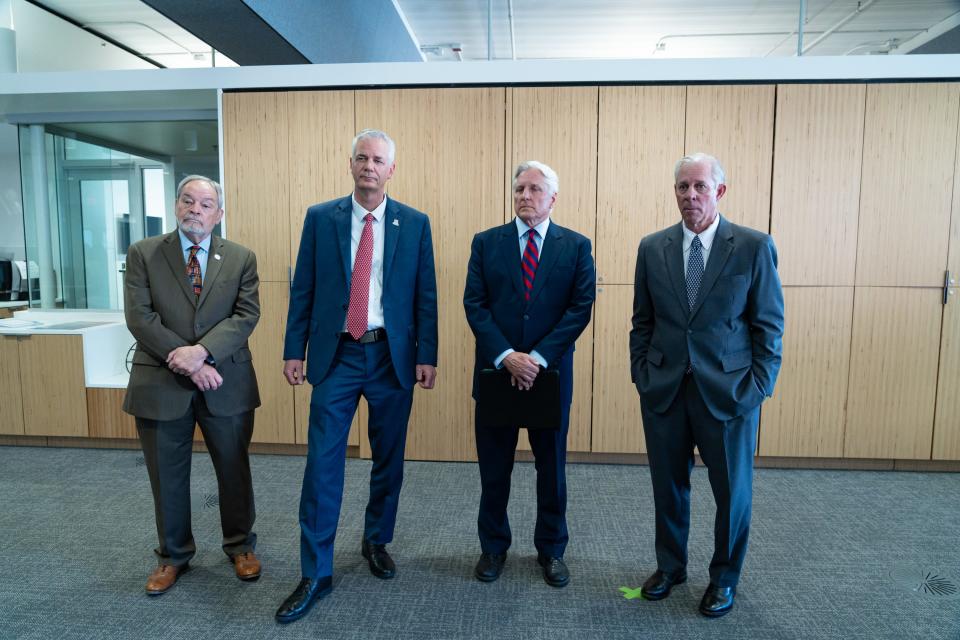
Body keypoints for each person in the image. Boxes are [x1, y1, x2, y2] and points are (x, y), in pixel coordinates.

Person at [276, 129, 438, 624]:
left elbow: (424, 294)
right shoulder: (321, 218)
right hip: (337, 356)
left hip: (391, 357)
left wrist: (426, 354)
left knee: (388, 459)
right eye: (362, 158)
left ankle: (376, 540)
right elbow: (302, 287)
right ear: (350, 165)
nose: (370, 166)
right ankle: (315, 572)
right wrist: (292, 349)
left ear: (392, 169)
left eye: (379, 160)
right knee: (322, 464)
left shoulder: (413, 223)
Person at [630, 153, 784, 617]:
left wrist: (758, 387)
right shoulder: (652, 247)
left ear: (719, 191)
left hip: (731, 394)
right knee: (668, 487)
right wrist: (643, 373)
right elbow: (642, 321)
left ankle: (724, 579)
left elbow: (769, 327)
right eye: (682, 187)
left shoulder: (754, 247)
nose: (690, 195)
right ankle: (670, 567)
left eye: (699, 186)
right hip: (666, 390)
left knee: (732, 493)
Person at [123, 175, 262, 595]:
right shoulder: (145, 253)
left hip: (225, 380)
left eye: (205, 204)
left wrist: (202, 353)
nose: (195, 210)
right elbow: (139, 317)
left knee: (234, 470)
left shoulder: (240, 258)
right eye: (188, 201)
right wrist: (188, 361)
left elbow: (245, 315)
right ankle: (172, 555)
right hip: (161, 382)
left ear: (219, 214)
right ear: (176, 206)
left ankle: (240, 546)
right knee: (166, 475)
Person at [463, 160, 596, 588]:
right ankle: (493, 547)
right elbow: (475, 304)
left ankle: (552, 549)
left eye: (535, 189)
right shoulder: (486, 243)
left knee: (551, 469)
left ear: (552, 198)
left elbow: (580, 308)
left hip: (549, 376)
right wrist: (507, 355)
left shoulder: (575, 246)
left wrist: (536, 358)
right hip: (497, 371)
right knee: (494, 468)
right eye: (519, 188)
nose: (525, 196)